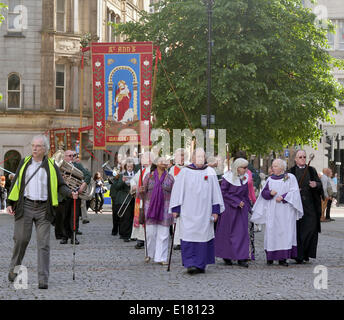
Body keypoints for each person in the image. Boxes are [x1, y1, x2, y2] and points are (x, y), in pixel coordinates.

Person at [6, 135, 77, 289]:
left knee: (43, 245)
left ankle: (43, 279)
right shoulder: (25, 163)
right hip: (25, 206)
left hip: (44, 210)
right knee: (21, 240)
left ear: (45, 149)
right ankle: (13, 270)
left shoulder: (52, 166)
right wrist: (9, 202)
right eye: (33, 146)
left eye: (38, 146)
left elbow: (61, 185)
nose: (34, 149)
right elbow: (16, 182)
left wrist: (71, 193)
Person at [169, 148, 225, 275]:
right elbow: (178, 191)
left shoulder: (210, 172)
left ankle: (200, 264)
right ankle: (190, 264)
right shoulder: (185, 172)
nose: (200, 159)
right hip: (188, 211)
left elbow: (215, 193)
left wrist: (215, 210)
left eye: (202, 156)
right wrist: (176, 209)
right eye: (197, 156)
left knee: (203, 237)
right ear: (193, 158)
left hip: (205, 212)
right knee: (188, 236)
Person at [251, 159, 303, 266]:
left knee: (284, 233)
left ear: (281, 168)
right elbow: (263, 194)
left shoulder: (289, 178)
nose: (272, 168)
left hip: (285, 211)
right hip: (273, 211)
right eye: (273, 166)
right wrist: (270, 193)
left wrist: (283, 197)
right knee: (272, 233)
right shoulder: (270, 179)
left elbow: (294, 192)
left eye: (275, 166)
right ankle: (270, 257)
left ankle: (283, 258)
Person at [214, 158, 251, 268]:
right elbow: (223, 193)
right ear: (237, 168)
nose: (246, 170)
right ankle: (227, 256)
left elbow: (246, 194)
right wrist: (236, 201)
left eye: (246, 167)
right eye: (243, 167)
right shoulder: (227, 178)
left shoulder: (245, 178)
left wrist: (248, 206)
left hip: (241, 209)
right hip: (229, 209)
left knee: (241, 233)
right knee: (228, 233)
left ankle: (241, 257)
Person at [289, 150, 323, 264]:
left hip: (310, 205)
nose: (303, 159)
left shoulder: (311, 170)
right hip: (297, 206)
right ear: (295, 159)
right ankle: (299, 254)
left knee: (311, 228)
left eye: (304, 156)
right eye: (300, 157)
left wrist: (315, 185)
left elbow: (319, 184)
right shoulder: (291, 172)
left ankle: (306, 252)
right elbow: (285, 187)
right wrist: (293, 191)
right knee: (298, 230)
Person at [139, 157, 174, 264]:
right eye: (161, 161)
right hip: (150, 209)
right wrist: (140, 191)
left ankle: (161, 258)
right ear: (156, 163)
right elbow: (141, 194)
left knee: (163, 235)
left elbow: (175, 193)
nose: (164, 163)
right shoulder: (148, 177)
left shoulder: (170, 178)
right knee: (150, 234)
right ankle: (149, 254)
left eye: (165, 161)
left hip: (165, 209)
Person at [58, 150, 91, 245]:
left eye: (73, 155)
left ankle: (73, 237)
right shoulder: (59, 167)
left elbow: (88, 175)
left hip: (75, 195)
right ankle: (65, 236)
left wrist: (83, 185)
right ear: (64, 157)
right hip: (63, 195)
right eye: (69, 155)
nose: (72, 157)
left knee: (74, 217)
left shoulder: (77, 165)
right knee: (64, 217)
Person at [130, 151, 153, 249]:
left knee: (145, 219)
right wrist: (134, 185)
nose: (141, 160)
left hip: (147, 199)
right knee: (140, 218)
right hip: (140, 199)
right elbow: (133, 179)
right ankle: (140, 239)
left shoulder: (152, 170)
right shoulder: (142, 170)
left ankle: (144, 239)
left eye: (143, 158)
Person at [110, 159, 136, 241]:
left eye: (131, 167)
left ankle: (132, 234)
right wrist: (122, 181)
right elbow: (117, 187)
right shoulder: (121, 175)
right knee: (126, 217)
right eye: (128, 167)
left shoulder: (136, 174)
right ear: (126, 167)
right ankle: (125, 235)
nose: (130, 168)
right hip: (125, 198)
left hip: (134, 198)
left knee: (132, 216)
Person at [168, 148, 186, 250]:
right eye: (179, 155)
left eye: (183, 155)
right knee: (176, 220)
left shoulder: (188, 167)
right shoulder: (172, 169)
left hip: (186, 198)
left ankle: (185, 239)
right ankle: (177, 241)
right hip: (176, 197)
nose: (181, 158)